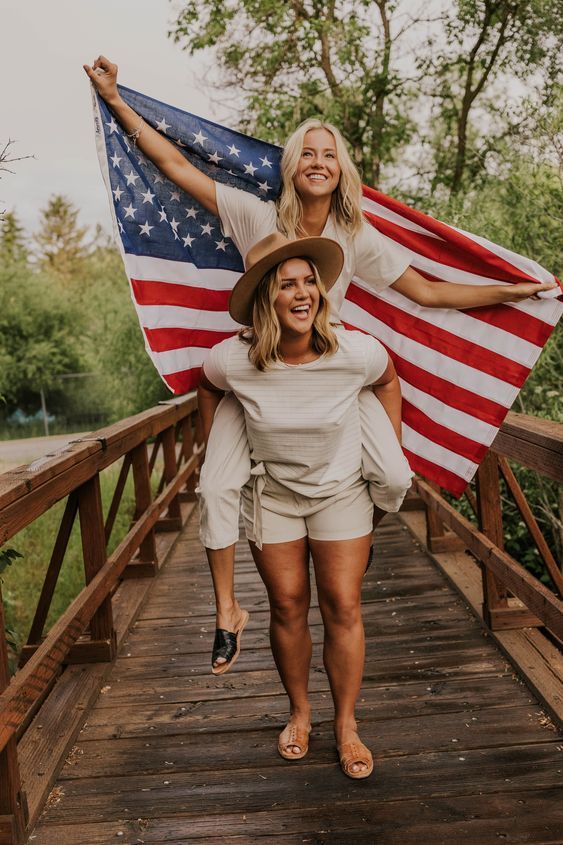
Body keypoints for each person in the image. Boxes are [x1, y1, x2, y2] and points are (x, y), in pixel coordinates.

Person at [84, 56, 557, 673]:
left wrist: (512, 290)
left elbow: (431, 294)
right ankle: (226, 611)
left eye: (328, 154)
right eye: (307, 153)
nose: (317, 162)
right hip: (256, 376)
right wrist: (117, 100)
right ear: (291, 166)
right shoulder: (254, 214)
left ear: (341, 170)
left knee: (392, 477)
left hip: (330, 379)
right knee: (219, 485)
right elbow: (174, 165)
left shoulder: (354, 237)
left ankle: (348, 526)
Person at [199, 230, 400, 777]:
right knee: (288, 604)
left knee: (342, 603)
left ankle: (347, 725)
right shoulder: (234, 359)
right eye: (288, 284)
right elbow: (208, 386)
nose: (303, 292)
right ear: (267, 296)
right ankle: (301, 712)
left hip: (341, 492)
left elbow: (388, 380)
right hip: (275, 495)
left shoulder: (355, 351)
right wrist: (217, 443)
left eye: (310, 280)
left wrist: (389, 445)